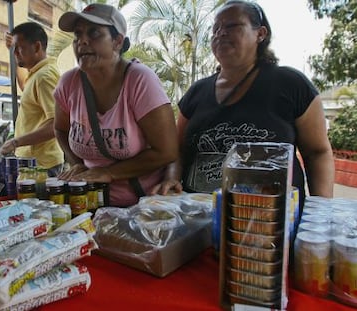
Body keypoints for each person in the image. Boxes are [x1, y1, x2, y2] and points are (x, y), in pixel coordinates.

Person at [152, 0, 334, 211]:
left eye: (231, 26)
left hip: (271, 225)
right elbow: (177, 150)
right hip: (198, 222)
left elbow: (317, 153)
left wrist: (322, 211)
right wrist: (172, 177)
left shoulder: (291, 85)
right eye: (216, 29)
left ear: (261, 33)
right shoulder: (197, 92)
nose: (220, 33)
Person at [54, 3, 178, 207]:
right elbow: (60, 129)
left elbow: (167, 151)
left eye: (94, 33)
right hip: (89, 203)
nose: (82, 41)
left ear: (117, 42)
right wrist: (78, 165)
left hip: (140, 207)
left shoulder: (140, 80)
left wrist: (108, 173)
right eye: (77, 35)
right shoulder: (68, 83)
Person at [0, 22, 64, 177]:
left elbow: (56, 124)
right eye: (14, 49)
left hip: (42, 165)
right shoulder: (37, 74)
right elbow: (25, 87)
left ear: (36, 47)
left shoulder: (44, 77)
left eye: (19, 48)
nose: (15, 53)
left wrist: (15, 142)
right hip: (34, 162)